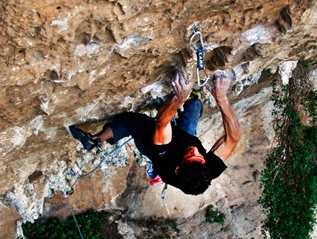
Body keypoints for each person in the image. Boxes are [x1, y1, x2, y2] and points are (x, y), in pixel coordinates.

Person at [70, 70, 241, 195]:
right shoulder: (204, 173)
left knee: (131, 121)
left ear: (178, 167)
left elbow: (162, 123)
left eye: (190, 155)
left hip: (152, 140)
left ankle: (97, 138)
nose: (195, 150)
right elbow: (233, 137)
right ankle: (191, 99)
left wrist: (178, 97)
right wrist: (222, 99)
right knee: (195, 107)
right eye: (199, 155)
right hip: (184, 138)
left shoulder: (165, 157)